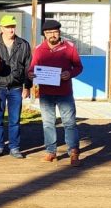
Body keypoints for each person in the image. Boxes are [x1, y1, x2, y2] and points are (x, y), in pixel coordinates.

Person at [28, 19, 84, 167]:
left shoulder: (69, 47)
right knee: (48, 123)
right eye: (48, 33)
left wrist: (70, 73)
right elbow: (32, 68)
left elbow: (78, 67)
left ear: (59, 32)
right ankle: (51, 152)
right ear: (44, 34)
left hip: (64, 92)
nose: (52, 35)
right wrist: (31, 74)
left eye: (55, 32)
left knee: (69, 123)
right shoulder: (39, 49)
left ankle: (73, 152)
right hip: (46, 93)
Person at [0, 14, 32, 158]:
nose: (11, 30)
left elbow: (28, 67)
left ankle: (14, 147)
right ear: (1, 28)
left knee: (15, 119)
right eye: (8, 27)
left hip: (16, 87)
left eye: (12, 27)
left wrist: (27, 86)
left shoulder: (23, 44)